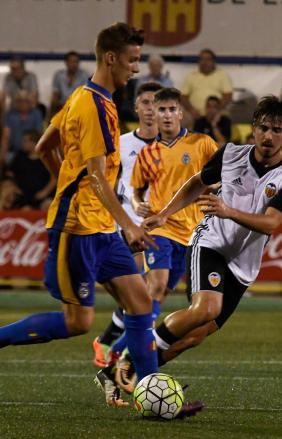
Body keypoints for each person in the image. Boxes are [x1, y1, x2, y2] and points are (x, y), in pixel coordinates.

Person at [0, 23, 159, 403]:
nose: (135, 69)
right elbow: (98, 176)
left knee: (139, 302)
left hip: (99, 226)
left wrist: (70, 183)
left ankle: (148, 391)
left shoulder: (83, 96)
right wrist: (128, 223)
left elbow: (43, 146)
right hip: (78, 229)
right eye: (132, 61)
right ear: (112, 58)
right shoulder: (94, 106)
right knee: (77, 322)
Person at [130, 96, 282, 369]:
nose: (268, 136)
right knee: (206, 309)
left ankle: (132, 372)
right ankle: (131, 363)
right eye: (263, 128)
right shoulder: (230, 154)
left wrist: (229, 211)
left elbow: (271, 223)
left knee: (194, 337)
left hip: (243, 264)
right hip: (210, 243)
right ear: (253, 128)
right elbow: (197, 182)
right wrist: (164, 214)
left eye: (276, 130)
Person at [95, 87, 218, 374]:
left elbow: (220, 175)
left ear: (180, 113)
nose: (165, 115)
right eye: (161, 110)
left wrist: (217, 188)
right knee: (156, 286)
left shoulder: (202, 144)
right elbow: (138, 189)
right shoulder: (148, 153)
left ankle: (117, 349)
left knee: (158, 298)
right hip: (161, 228)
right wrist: (138, 204)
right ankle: (124, 354)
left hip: (193, 232)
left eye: (171, 109)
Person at [92, 81, 162, 367]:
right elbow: (105, 182)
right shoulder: (121, 144)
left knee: (144, 296)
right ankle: (118, 348)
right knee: (142, 294)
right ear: (136, 108)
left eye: (156, 104)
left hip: (161, 229)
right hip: (127, 226)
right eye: (145, 103)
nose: (151, 110)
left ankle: (112, 344)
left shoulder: (173, 147)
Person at [7, 130, 56, 209]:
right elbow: (10, 174)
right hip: (23, 195)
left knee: (48, 205)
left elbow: (54, 177)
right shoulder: (20, 156)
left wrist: (45, 192)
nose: (23, 143)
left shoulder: (46, 157)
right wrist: (14, 187)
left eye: (25, 141)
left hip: (42, 195)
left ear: (34, 143)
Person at [181, 49, 232, 122]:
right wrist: (191, 110)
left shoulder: (222, 75)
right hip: (194, 112)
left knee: (224, 118)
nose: (205, 62)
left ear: (213, 61)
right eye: (202, 59)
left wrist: (216, 110)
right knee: (182, 118)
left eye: (208, 59)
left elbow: (228, 96)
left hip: (217, 111)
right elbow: (183, 97)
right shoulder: (191, 76)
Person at [0, 90, 44, 171]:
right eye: (19, 100)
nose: (22, 103)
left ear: (30, 102)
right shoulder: (10, 114)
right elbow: (5, 136)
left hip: (31, 150)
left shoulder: (37, 114)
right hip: (14, 150)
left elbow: (38, 135)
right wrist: (2, 153)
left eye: (25, 100)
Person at [50, 51, 90, 116]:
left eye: (76, 62)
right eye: (71, 62)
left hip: (78, 107)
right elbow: (55, 95)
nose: (74, 64)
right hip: (62, 107)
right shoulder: (59, 75)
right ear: (66, 63)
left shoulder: (84, 76)